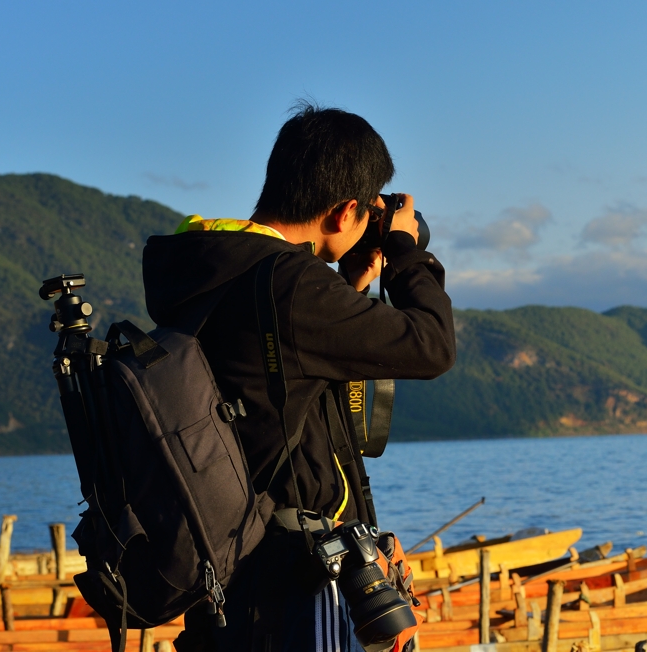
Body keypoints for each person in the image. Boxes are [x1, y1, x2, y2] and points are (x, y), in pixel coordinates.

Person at [142, 103, 456, 651]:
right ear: (345, 211)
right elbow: (431, 345)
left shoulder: (217, 268)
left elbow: (275, 401)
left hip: (231, 580)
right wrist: (404, 250)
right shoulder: (291, 287)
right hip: (294, 591)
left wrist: (348, 291)